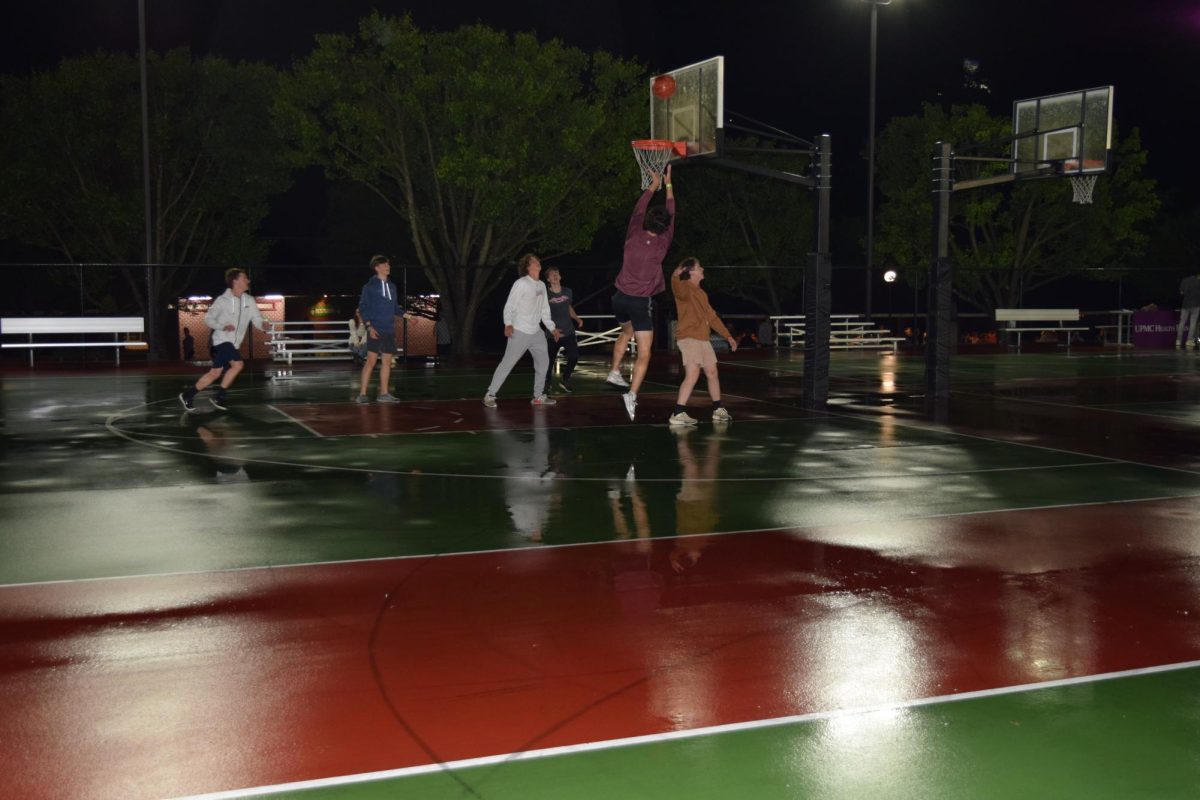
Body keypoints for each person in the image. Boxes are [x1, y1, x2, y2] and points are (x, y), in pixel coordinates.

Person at [608, 164, 676, 421]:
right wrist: (669, 185)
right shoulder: (662, 243)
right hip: (639, 303)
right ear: (663, 228)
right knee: (645, 352)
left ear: (646, 221)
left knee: (627, 331)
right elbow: (672, 212)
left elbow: (638, 209)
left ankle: (614, 370)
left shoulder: (633, 233)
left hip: (618, 299)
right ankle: (631, 395)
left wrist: (653, 185)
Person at [179, 268, 271, 412]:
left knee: (214, 373)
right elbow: (208, 318)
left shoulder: (249, 301)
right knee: (238, 364)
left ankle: (188, 395)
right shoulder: (222, 300)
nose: (248, 280)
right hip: (221, 340)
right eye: (245, 278)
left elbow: (257, 319)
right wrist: (222, 326)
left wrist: (263, 324)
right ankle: (220, 396)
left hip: (233, 344)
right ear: (235, 281)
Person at [483, 254, 561, 407]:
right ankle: (490, 394)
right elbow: (510, 305)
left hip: (536, 332)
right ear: (527, 267)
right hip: (520, 331)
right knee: (508, 363)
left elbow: (544, 310)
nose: (538, 262)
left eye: (538, 260)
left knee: (544, 362)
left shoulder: (541, 286)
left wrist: (552, 328)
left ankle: (538, 396)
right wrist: (508, 324)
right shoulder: (521, 283)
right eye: (534, 261)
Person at [668, 257, 736, 426]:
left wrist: (728, 336)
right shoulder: (684, 288)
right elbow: (675, 285)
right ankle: (678, 413)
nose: (703, 269)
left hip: (703, 339)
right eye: (699, 267)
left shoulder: (701, 293)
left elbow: (712, 317)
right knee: (692, 374)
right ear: (690, 272)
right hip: (689, 337)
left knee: (712, 373)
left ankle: (718, 409)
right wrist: (676, 273)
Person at [356, 254, 411, 403]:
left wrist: (408, 317)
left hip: (389, 330)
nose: (388, 267)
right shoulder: (369, 287)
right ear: (377, 267)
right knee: (371, 362)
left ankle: (384, 393)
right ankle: (362, 394)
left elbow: (395, 308)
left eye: (388, 265)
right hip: (375, 329)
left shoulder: (392, 287)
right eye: (385, 265)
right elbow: (363, 308)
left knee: (387, 362)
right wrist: (369, 327)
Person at [542, 266, 583, 394]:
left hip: (568, 331)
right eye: (552, 274)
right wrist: (552, 329)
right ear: (548, 279)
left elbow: (568, 307)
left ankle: (565, 379)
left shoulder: (568, 291)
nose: (555, 275)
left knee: (574, 357)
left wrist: (577, 318)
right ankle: (546, 383)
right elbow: (543, 313)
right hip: (553, 333)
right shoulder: (545, 295)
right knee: (549, 361)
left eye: (557, 273)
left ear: (560, 276)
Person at [1177, 271, 1200, 349]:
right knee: (1192, 323)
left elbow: (1181, 292)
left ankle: (1178, 340)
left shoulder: (1185, 280)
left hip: (1185, 305)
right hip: (1196, 305)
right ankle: (1189, 341)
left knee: (1182, 322)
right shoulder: (1198, 282)